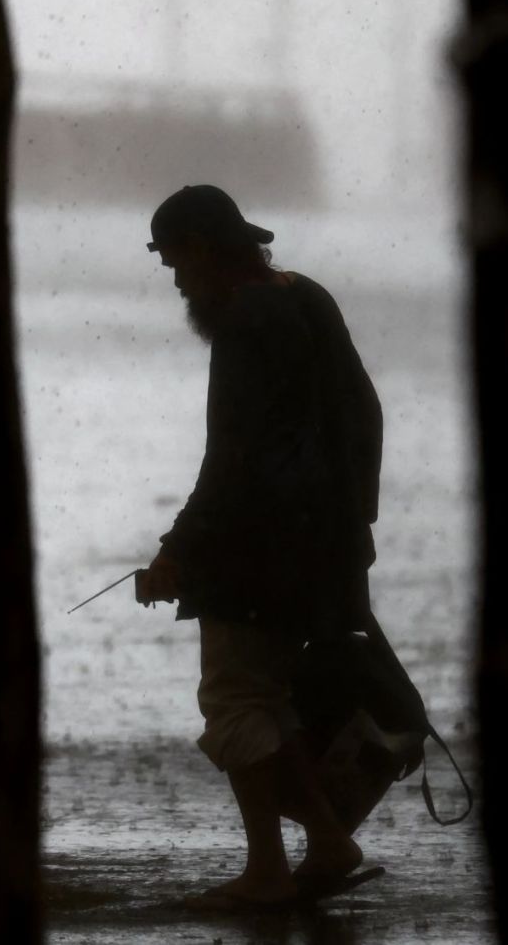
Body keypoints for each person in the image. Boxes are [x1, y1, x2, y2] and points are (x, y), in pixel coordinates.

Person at [135, 185, 384, 907]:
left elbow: (234, 456)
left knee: (235, 699)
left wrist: (178, 548)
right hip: (324, 543)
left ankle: (271, 870)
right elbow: (363, 415)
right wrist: (352, 528)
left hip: (260, 551)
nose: (178, 282)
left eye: (176, 264)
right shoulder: (306, 295)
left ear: (203, 251)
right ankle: (327, 846)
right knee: (268, 699)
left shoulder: (244, 320)